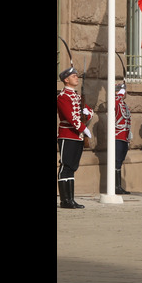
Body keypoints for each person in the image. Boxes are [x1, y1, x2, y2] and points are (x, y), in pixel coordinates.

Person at [57, 66, 93, 209]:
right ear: (66, 80)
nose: (76, 78)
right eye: (73, 76)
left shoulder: (77, 96)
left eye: (76, 76)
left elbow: (90, 112)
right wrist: (84, 128)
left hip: (77, 136)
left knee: (72, 167)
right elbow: (70, 117)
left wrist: (87, 114)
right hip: (67, 135)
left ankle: (71, 199)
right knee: (65, 166)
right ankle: (65, 200)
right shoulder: (62, 96)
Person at [113, 82, 131, 194]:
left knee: (120, 161)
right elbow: (114, 105)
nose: (124, 93)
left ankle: (118, 186)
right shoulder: (116, 101)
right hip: (117, 135)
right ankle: (115, 186)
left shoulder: (124, 104)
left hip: (124, 136)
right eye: (121, 90)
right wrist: (118, 95)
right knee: (116, 161)